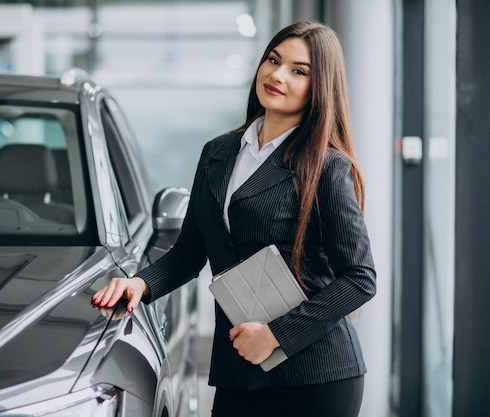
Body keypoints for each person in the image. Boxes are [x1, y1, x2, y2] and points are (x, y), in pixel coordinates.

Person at [92, 20, 376, 417]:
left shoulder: (326, 167)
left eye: (299, 71)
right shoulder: (217, 152)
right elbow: (191, 251)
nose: (277, 74)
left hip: (315, 375)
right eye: (273, 60)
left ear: (319, 88)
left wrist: (276, 336)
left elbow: (360, 279)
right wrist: (141, 283)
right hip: (239, 368)